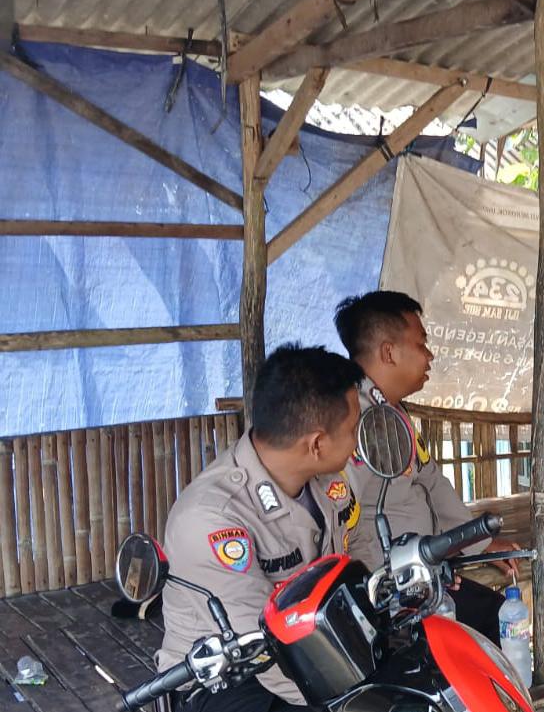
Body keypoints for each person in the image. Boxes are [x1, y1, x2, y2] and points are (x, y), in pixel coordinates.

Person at [158, 344, 365, 711]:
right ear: (317, 444)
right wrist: (358, 698)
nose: (357, 440)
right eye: (352, 429)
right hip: (230, 675)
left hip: (318, 642)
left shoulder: (329, 479)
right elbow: (264, 652)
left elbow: (360, 556)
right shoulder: (211, 519)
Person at [334, 291, 518, 645]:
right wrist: (393, 585)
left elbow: (431, 480)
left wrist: (478, 542)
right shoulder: (355, 418)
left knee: (494, 618)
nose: (429, 355)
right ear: (389, 352)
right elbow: (341, 521)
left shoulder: (390, 410)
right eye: (421, 344)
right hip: (393, 592)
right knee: (492, 627)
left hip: (423, 570)